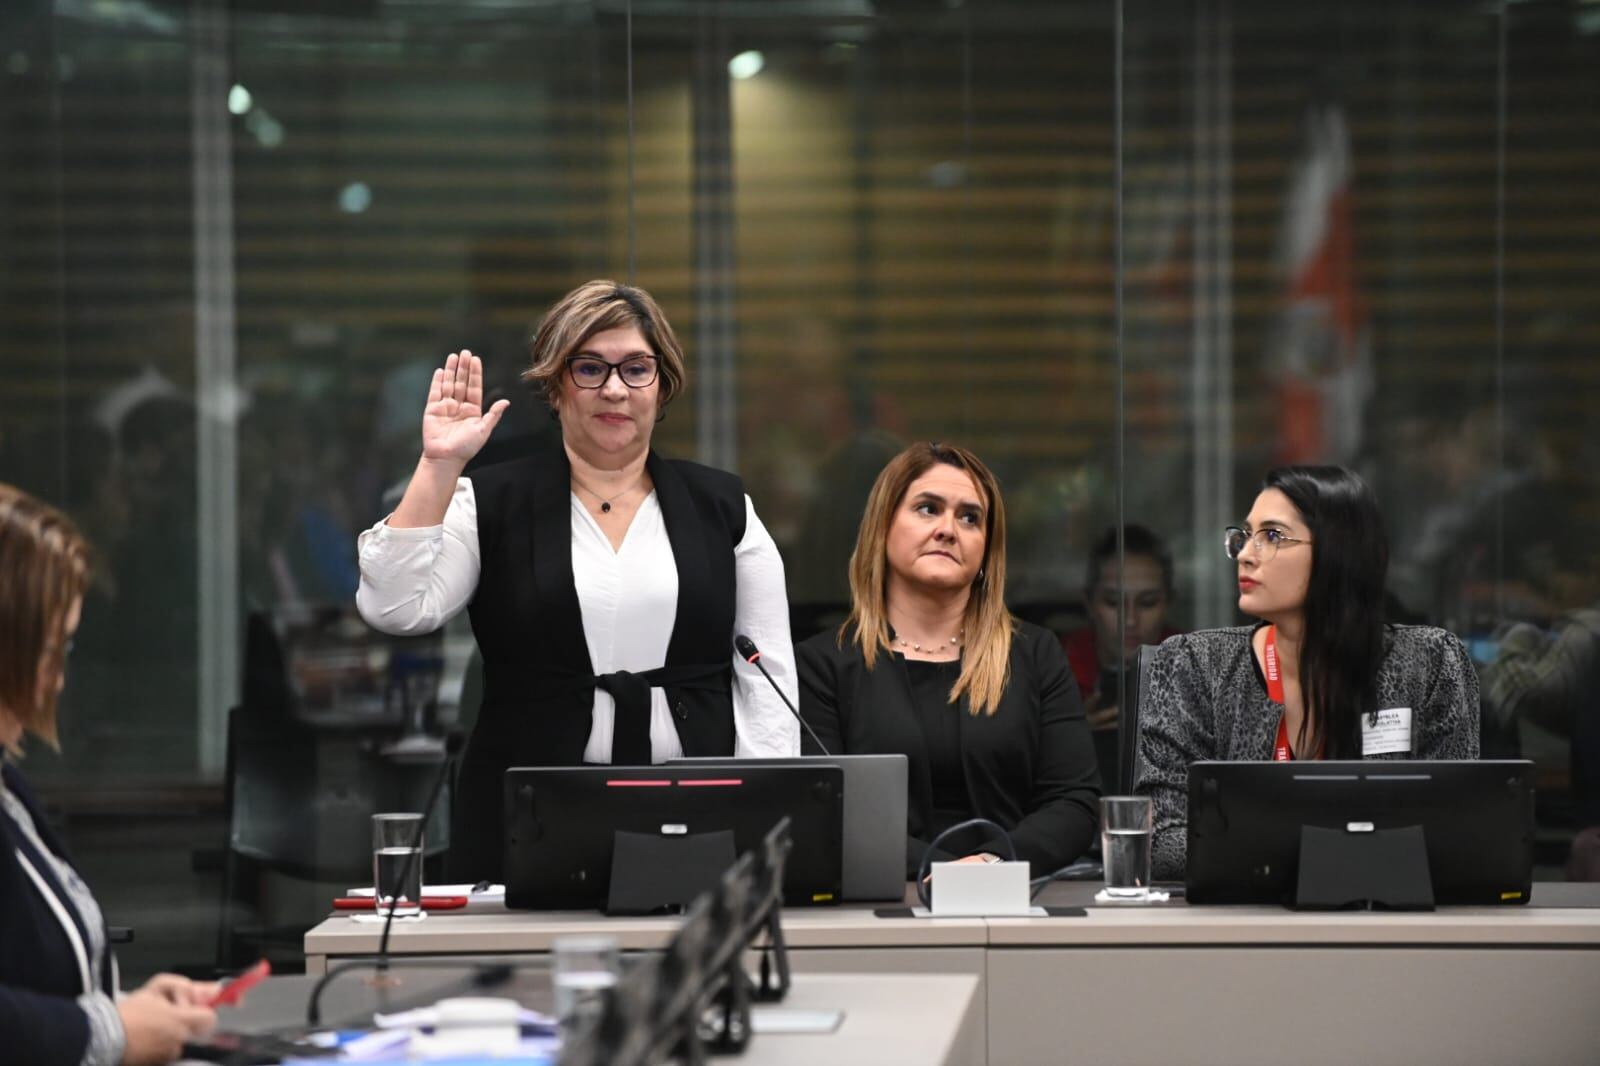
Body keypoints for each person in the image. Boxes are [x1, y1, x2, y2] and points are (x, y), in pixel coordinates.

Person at [356, 281, 799, 879]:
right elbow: (395, 607)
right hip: (528, 818)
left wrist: (760, 820)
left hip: (696, 812)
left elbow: (767, 685)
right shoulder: (488, 500)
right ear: (556, 385)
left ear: (662, 385)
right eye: (589, 368)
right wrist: (439, 465)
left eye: (636, 368)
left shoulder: (722, 506)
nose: (614, 388)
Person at [1134, 465, 1481, 881]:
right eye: (1245, 536)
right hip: (1241, 926)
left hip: (1386, 921)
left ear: (1338, 553)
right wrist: (1328, 852)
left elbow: (1457, 829)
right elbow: (1161, 840)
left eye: (1273, 536)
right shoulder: (1196, 665)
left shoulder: (1428, 663)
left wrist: (1264, 846)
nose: (1245, 554)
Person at [796, 442, 1101, 879]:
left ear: (985, 552)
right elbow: (824, 809)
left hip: (1013, 898)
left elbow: (1074, 803)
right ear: (882, 528)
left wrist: (991, 864)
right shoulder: (822, 665)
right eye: (927, 508)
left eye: (969, 517)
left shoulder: (1035, 655)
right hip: (881, 906)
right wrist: (937, 872)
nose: (947, 529)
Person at [0, 483, 219, 1066]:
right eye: (54, 650)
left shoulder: (9, 787)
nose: (57, 680)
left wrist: (132, 1008)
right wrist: (110, 1031)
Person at [1061, 524, 1181, 785]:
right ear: (1089, 603)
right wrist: (1069, 735)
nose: (1130, 620)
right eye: (1114, 603)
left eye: (1147, 602)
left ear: (1168, 602)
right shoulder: (1056, 669)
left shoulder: (1190, 664)